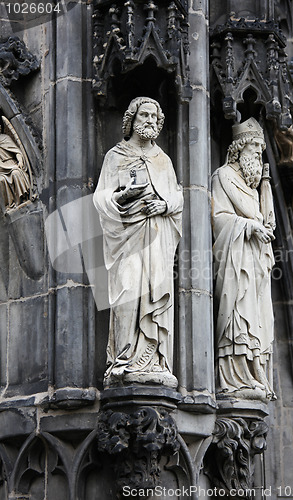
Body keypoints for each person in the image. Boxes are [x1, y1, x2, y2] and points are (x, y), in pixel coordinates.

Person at [93, 97, 183, 388]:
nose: (150, 121)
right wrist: (121, 197)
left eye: (155, 117)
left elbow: (177, 196)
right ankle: (123, 359)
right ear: (131, 119)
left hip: (157, 236)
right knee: (128, 291)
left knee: (154, 293)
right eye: (144, 115)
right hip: (126, 235)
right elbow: (101, 197)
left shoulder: (164, 160)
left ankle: (152, 359)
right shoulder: (115, 156)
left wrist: (165, 206)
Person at [212, 117, 276, 400]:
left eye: (260, 151)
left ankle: (254, 372)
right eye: (254, 150)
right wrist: (249, 226)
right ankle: (234, 375)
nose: (258, 156)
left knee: (257, 318)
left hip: (255, 262)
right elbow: (218, 220)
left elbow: (263, 219)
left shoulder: (252, 188)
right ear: (239, 149)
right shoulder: (222, 177)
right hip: (235, 260)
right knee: (238, 316)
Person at [0, 131, 30, 210]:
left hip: (11, 164)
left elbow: (17, 152)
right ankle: (10, 205)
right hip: (1, 169)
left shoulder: (5, 138)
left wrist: (20, 161)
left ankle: (22, 199)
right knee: (1, 180)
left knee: (16, 173)